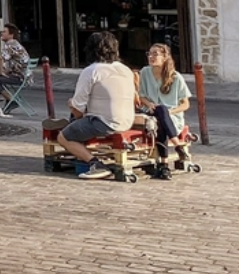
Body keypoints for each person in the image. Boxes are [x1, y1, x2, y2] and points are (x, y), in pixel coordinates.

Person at [56, 31, 137, 180]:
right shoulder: (125, 69)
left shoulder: (92, 71)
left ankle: (95, 163)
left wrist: (72, 106)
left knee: (63, 137)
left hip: (104, 122)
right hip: (127, 120)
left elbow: (78, 109)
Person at [136, 43, 191, 178]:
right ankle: (178, 146)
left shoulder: (176, 77)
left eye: (155, 54)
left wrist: (170, 112)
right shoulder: (145, 72)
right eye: (149, 54)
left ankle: (164, 166)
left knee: (161, 118)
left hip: (172, 116)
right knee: (160, 112)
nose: (151, 57)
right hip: (149, 110)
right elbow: (141, 95)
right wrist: (149, 104)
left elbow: (185, 104)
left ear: (165, 57)